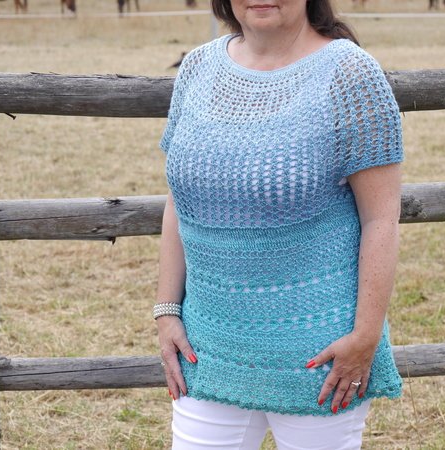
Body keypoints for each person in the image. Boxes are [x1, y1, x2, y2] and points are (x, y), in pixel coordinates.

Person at [154, 0, 405, 447]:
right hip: (206, 351)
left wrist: (365, 337)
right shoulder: (197, 68)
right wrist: (166, 312)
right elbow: (180, 201)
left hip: (321, 359)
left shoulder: (351, 74)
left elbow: (381, 219)